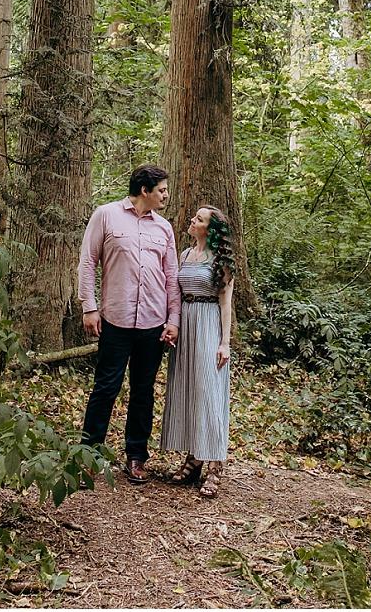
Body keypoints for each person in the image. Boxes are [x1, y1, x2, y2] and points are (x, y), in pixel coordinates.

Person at [78, 164, 181, 483]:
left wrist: (173, 319)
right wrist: (89, 307)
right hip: (115, 320)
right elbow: (87, 261)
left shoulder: (164, 228)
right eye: (161, 189)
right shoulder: (106, 215)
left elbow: (172, 277)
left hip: (153, 323)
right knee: (106, 388)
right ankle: (89, 456)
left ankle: (136, 457)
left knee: (143, 391)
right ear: (144, 190)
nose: (166, 194)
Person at [160, 204, 236, 499]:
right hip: (186, 324)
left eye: (199, 219)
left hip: (208, 325)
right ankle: (194, 456)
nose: (192, 220)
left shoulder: (222, 261)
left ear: (211, 229)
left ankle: (216, 463)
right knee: (189, 391)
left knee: (208, 392)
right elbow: (176, 293)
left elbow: (226, 303)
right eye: (195, 216)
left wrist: (224, 342)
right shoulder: (185, 255)